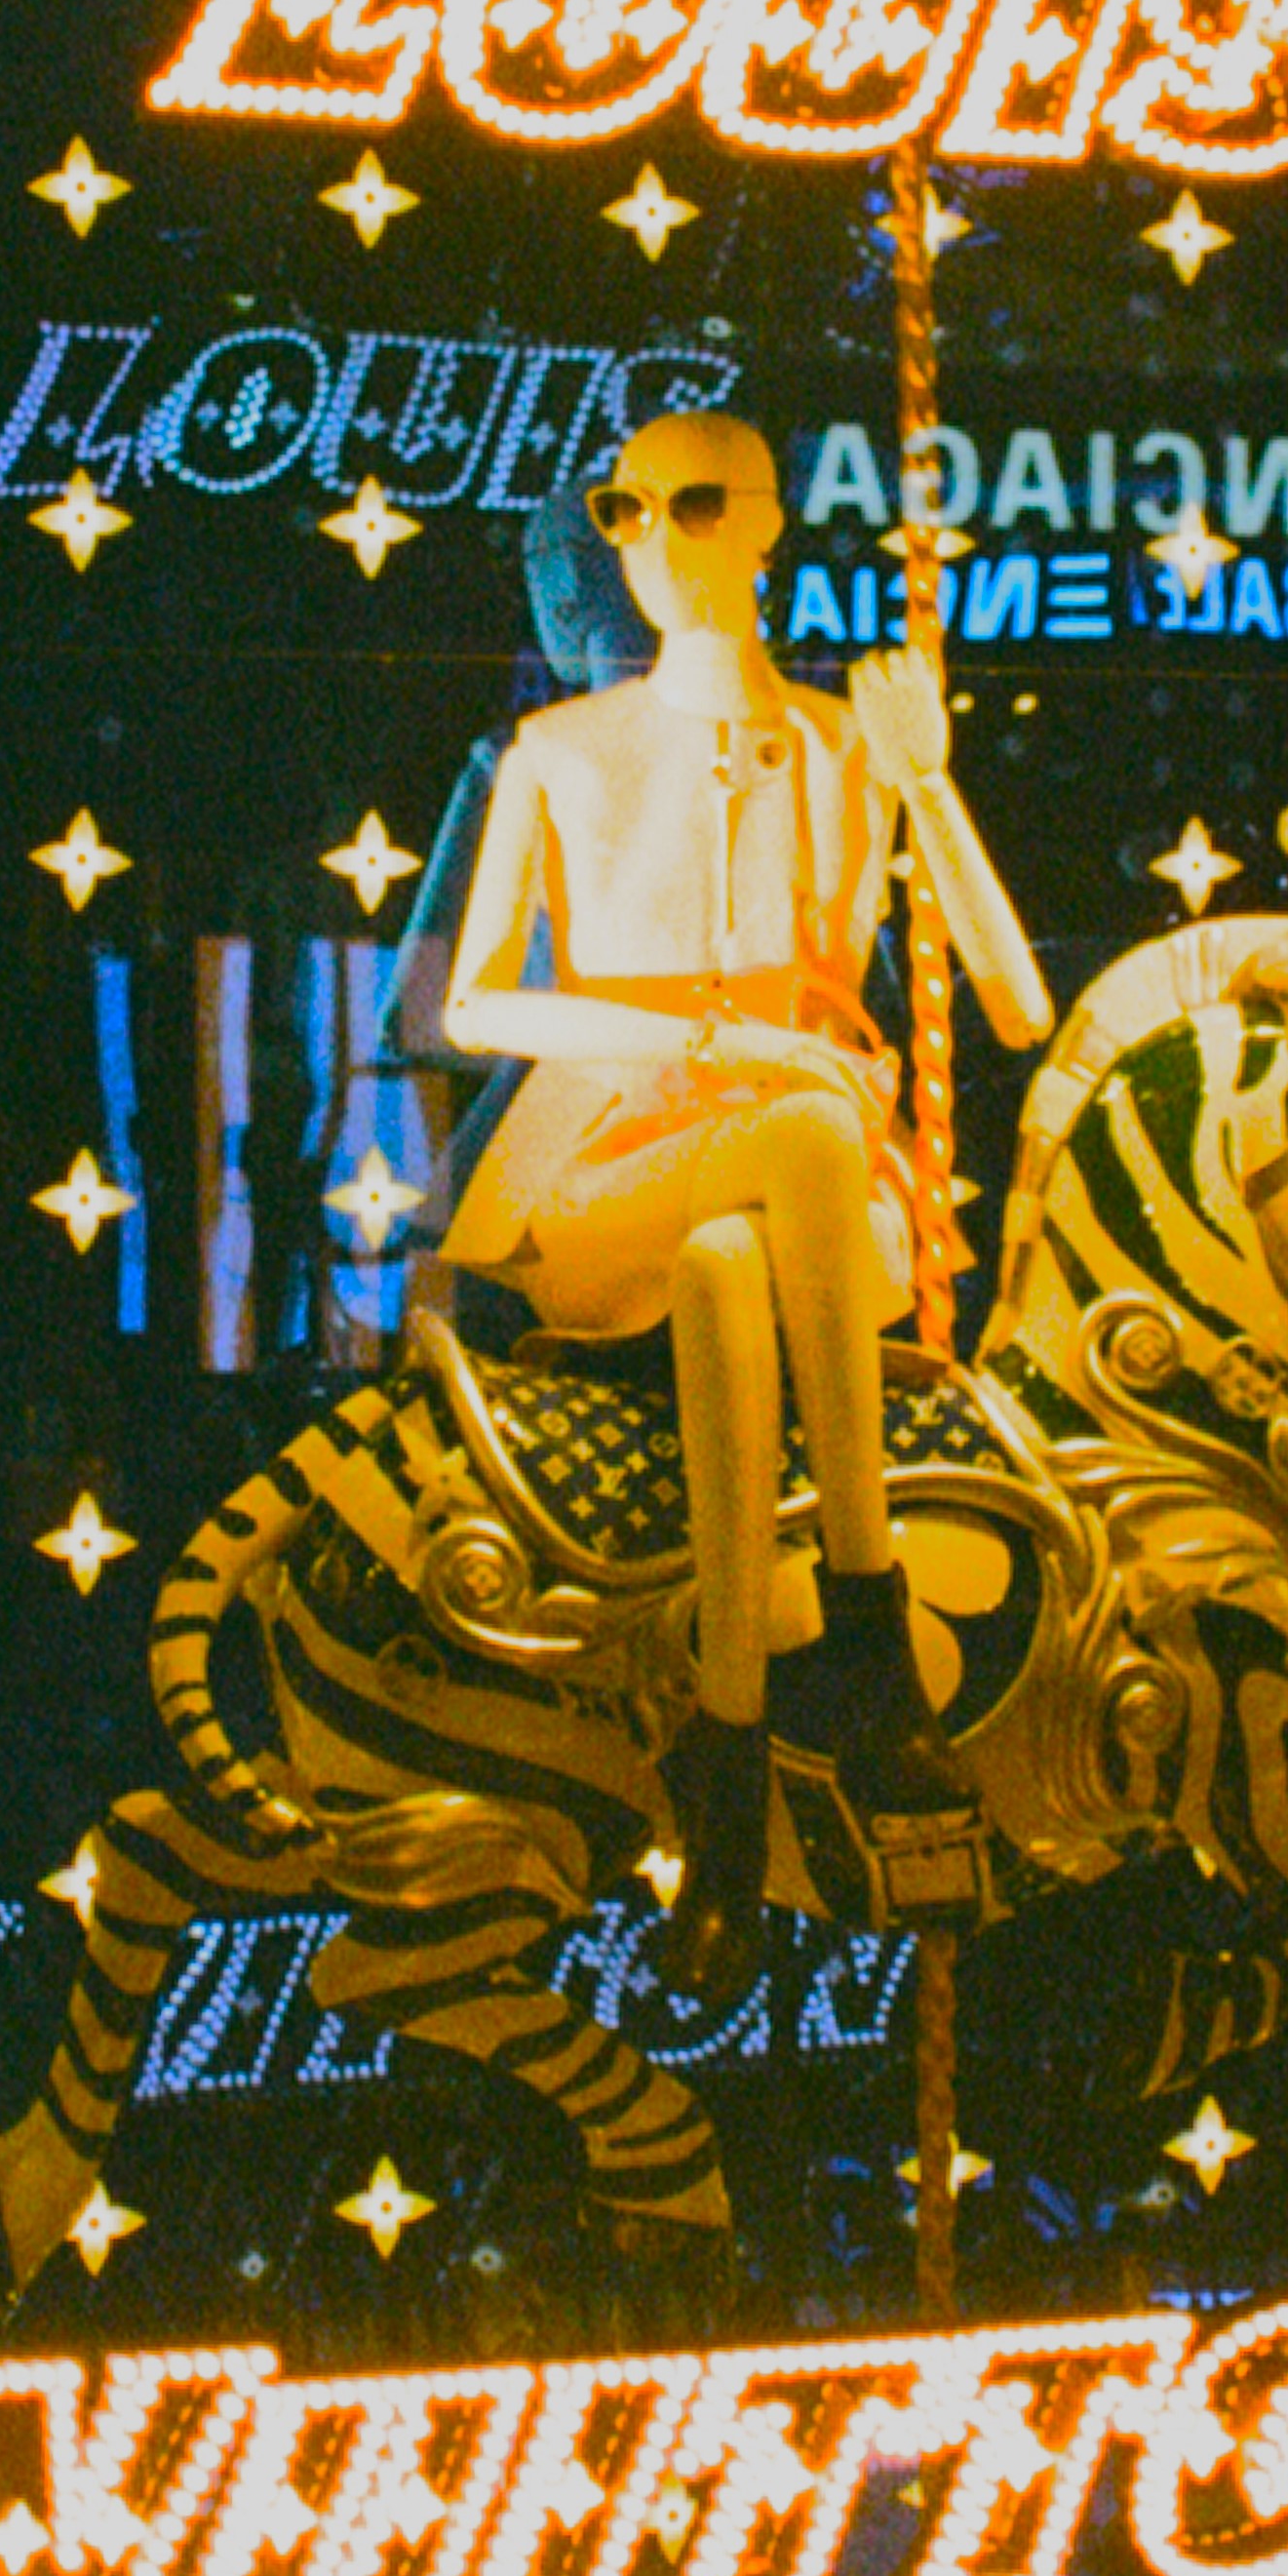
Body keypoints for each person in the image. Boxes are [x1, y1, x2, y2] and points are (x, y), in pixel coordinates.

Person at [443, 409, 1050, 1988]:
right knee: (801, 1130)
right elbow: (471, 1006)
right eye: (624, 510)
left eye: (696, 505)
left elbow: (1018, 1005)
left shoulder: (850, 744)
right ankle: (871, 1645)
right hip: (606, 1165)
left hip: (799, 1217)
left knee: (736, 1253)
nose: (654, 540)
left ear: (770, 522)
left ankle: (724, 1779)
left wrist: (930, 788)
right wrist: (723, 1042)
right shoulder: (559, 755)